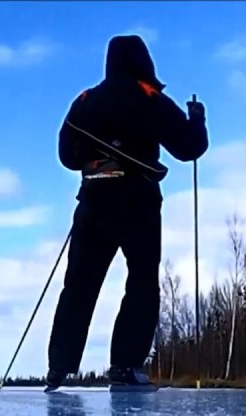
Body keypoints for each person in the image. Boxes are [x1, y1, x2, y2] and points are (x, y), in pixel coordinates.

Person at [44, 34, 208, 393]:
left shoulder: (85, 100)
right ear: (143, 61)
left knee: (79, 286)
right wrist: (197, 118)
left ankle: (59, 367)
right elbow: (188, 147)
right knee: (141, 282)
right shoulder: (149, 97)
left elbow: (67, 156)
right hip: (137, 199)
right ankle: (126, 366)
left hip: (93, 199)